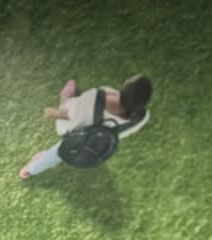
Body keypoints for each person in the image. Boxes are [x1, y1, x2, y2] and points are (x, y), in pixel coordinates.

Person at [19, 74, 151, 180]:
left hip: (75, 132)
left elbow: (68, 115)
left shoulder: (95, 98)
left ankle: (30, 169)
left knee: (58, 151)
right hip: (99, 143)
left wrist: (51, 113)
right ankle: (32, 168)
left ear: (125, 88)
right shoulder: (142, 118)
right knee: (57, 153)